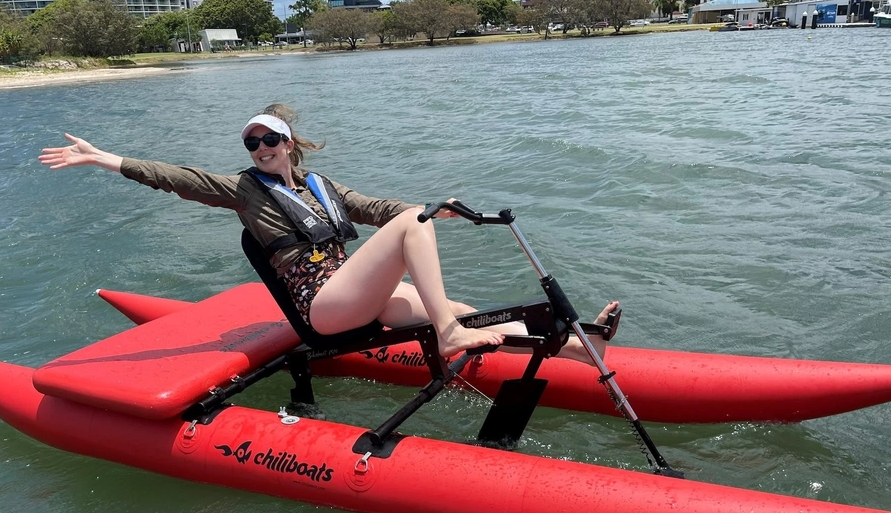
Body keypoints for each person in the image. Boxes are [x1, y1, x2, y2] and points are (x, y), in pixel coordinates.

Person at [39, 104, 618, 360]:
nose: (261, 150)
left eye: (270, 140)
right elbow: (177, 178)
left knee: (457, 293)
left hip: (355, 294)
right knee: (410, 228)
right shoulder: (245, 191)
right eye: (251, 144)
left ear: (288, 143)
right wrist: (103, 159)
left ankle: (579, 345)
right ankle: (449, 334)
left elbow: (373, 206)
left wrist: (437, 208)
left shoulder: (322, 185)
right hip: (322, 307)